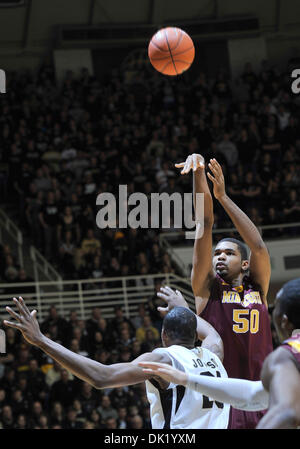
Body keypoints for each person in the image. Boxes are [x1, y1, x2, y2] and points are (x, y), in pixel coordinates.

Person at [4, 298, 229, 429]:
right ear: (193, 334)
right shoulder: (214, 353)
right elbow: (212, 333)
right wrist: (184, 308)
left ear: (164, 335)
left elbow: (102, 377)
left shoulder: (164, 358)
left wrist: (42, 341)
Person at [173, 154, 273, 429]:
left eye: (228, 253)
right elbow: (204, 224)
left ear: (244, 263)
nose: (219, 256)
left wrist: (224, 197)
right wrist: (198, 174)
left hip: (264, 397)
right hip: (223, 404)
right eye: (217, 253)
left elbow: (260, 248)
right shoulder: (207, 289)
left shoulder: (258, 287)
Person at [141, 278, 300, 429]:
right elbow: (254, 394)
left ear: (284, 321)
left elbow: (283, 411)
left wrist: (185, 312)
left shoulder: (286, 356)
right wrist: (187, 379)